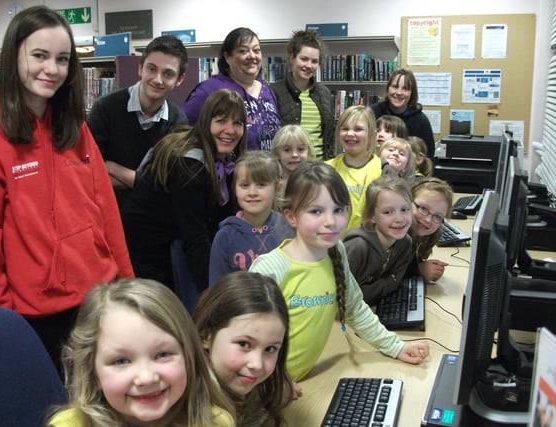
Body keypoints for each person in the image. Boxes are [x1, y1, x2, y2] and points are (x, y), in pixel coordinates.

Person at [0, 5, 134, 375]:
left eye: (62, 59)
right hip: (35, 316)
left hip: (97, 300)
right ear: (13, 57)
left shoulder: (75, 129)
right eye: (39, 56)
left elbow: (106, 213)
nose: (52, 69)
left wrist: (127, 288)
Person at [249, 161, 429, 382]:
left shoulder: (336, 251)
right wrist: (275, 385)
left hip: (297, 384)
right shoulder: (269, 269)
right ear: (291, 216)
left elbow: (355, 308)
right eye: (316, 211)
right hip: (259, 390)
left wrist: (396, 347)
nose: (331, 222)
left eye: (338, 210)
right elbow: (247, 345)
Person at [48, 278, 235, 427]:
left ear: (189, 359)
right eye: (121, 361)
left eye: (162, 355)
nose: (146, 378)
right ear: (93, 373)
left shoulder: (215, 422)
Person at [122, 88, 247, 294]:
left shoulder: (223, 159)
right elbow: (195, 237)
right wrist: (220, 293)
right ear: (206, 123)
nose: (230, 130)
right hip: (146, 256)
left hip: (173, 247)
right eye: (221, 121)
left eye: (237, 123)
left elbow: (223, 220)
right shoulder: (190, 165)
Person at [87, 35, 189, 210]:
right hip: (106, 216)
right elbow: (87, 173)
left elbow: (167, 186)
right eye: (152, 69)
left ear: (180, 79)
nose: (158, 79)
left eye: (168, 74)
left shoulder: (178, 123)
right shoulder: (105, 109)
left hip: (153, 223)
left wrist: (113, 168)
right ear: (140, 68)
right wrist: (142, 180)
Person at [194, 271, 294, 427]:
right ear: (206, 337)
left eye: (270, 349)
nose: (257, 364)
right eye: (244, 344)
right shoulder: (209, 418)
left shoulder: (250, 390)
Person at [183, 27, 282, 151]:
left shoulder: (267, 89)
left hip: (270, 167)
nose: (252, 56)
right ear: (227, 57)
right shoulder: (209, 89)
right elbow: (183, 131)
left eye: (256, 50)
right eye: (243, 51)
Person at [209, 152, 294, 285]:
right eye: (244, 185)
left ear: (278, 188)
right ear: (235, 189)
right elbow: (217, 290)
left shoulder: (289, 228)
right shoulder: (225, 236)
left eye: (261, 185)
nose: (252, 193)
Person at [343, 175, 413, 305]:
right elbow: (343, 298)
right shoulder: (357, 247)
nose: (399, 219)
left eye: (404, 209)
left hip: (368, 311)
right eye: (387, 212)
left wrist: (367, 290)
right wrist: (387, 282)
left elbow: (395, 282)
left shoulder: (405, 243)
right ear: (371, 216)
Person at [271, 30, 335, 160]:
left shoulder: (324, 93)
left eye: (314, 61)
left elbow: (329, 136)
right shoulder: (274, 92)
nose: (309, 65)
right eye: (304, 59)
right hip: (289, 170)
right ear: (292, 58)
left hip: (321, 169)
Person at [325, 105, 383, 234]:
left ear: (373, 134)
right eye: (345, 128)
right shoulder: (327, 169)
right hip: (331, 244)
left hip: (367, 244)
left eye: (358, 129)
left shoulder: (382, 169)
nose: (350, 134)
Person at [370, 68, 435, 158]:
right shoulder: (372, 113)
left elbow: (427, 156)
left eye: (405, 89)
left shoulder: (421, 121)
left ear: (412, 93)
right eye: (395, 87)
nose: (399, 92)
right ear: (388, 88)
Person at [407, 177, 453, 282]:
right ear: (408, 201)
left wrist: (422, 266)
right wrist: (419, 269)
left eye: (437, 216)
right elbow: (387, 273)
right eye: (423, 208)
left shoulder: (432, 235)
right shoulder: (394, 233)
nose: (428, 220)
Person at [270, 124, 315, 198]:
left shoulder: (315, 182)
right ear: (277, 154)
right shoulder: (272, 184)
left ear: (309, 152)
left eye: (300, 149)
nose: (294, 155)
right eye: (287, 150)